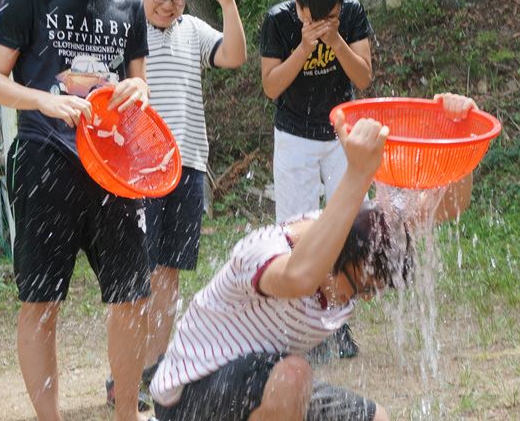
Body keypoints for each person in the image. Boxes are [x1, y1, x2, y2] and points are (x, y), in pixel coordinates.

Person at [148, 93, 478, 421]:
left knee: (376, 418)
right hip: (188, 398)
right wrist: (358, 173)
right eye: (360, 288)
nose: (363, 299)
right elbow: (298, 277)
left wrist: (460, 132)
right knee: (294, 374)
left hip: (265, 383)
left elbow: (447, 204)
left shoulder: (359, 232)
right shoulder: (267, 251)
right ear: (332, 259)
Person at [0, 0, 153, 421]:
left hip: (113, 165)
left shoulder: (128, 4)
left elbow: (139, 84)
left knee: (131, 296)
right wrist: (43, 101)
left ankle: (127, 413)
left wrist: (138, 90)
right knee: (41, 300)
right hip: (44, 158)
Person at [111, 0, 247, 404]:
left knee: (168, 271)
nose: (168, 5)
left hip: (186, 165)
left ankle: (156, 368)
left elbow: (234, 56)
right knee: (136, 273)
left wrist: (226, 1)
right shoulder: (127, 27)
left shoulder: (192, 30)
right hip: (138, 170)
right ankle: (123, 375)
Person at [259, 0, 374, 357]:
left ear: (341, 6)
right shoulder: (278, 20)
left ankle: (337, 323)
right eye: (313, 18)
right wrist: (304, 48)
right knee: (297, 233)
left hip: (341, 131)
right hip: (294, 134)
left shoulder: (352, 12)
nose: (324, 23)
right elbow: (271, 85)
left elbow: (363, 78)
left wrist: (337, 40)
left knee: (348, 228)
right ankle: (302, 326)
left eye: (332, 16)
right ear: (298, 6)